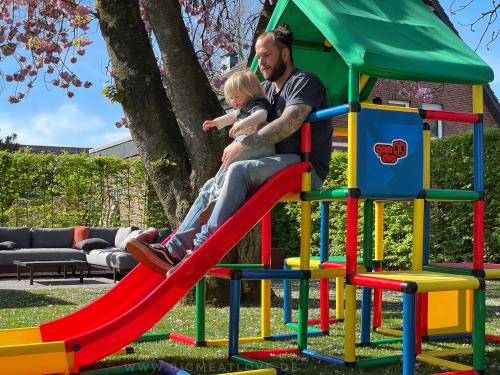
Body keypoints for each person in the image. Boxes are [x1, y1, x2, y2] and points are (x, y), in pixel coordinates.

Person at [127, 25, 332, 276]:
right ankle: (174, 249)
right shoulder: (265, 91)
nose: (262, 62)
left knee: (238, 170)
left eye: (266, 55)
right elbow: (242, 114)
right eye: (258, 57)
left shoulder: (303, 82)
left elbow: (289, 123)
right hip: (272, 161)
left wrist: (244, 142)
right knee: (209, 187)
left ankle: (202, 246)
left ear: (285, 54)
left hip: (303, 164)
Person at [199, 70, 275, 224]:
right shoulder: (244, 107)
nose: (233, 101)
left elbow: (261, 115)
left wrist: (241, 124)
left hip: (260, 147)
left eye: (237, 97)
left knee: (230, 167)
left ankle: (219, 196)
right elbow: (232, 116)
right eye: (231, 98)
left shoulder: (257, 103)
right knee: (227, 166)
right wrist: (216, 122)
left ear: (250, 91)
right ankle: (216, 195)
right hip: (251, 145)